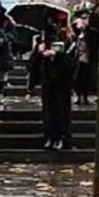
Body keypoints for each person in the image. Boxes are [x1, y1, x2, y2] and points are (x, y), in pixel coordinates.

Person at [31, 14, 75, 150]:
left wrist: (56, 55)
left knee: (62, 109)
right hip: (47, 76)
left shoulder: (69, 38)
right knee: (48, 109)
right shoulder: (42, 38)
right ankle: (50, 136)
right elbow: (33, 63)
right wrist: (39, 51)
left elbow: (71, 60)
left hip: (62, 78)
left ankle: (62, 136)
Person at [72, 0, 99, 105]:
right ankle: (78, 94)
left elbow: (98, 32)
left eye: (93, 1)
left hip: (90, 49)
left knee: (89, 74)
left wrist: (88, 27)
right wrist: (78, 26)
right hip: (78, 49)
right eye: (89, 1)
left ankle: (86, 94)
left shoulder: (96, 16)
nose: (90, 3)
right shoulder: (78, 13)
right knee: (78, 73)